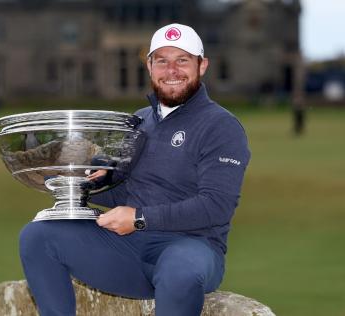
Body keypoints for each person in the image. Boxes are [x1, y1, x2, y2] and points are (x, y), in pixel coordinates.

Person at [19, 23, 251, 316]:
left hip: (191, 246)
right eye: (162, 61)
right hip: (126, 251)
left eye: (182, 60)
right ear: (150, 67)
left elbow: (216, 206)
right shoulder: (139, 122)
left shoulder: (221, 126)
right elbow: (125, 194)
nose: (172, 70)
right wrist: (78, 180)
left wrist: (140, 219)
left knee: (179, 271)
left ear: (202, 66)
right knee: (37, 236)